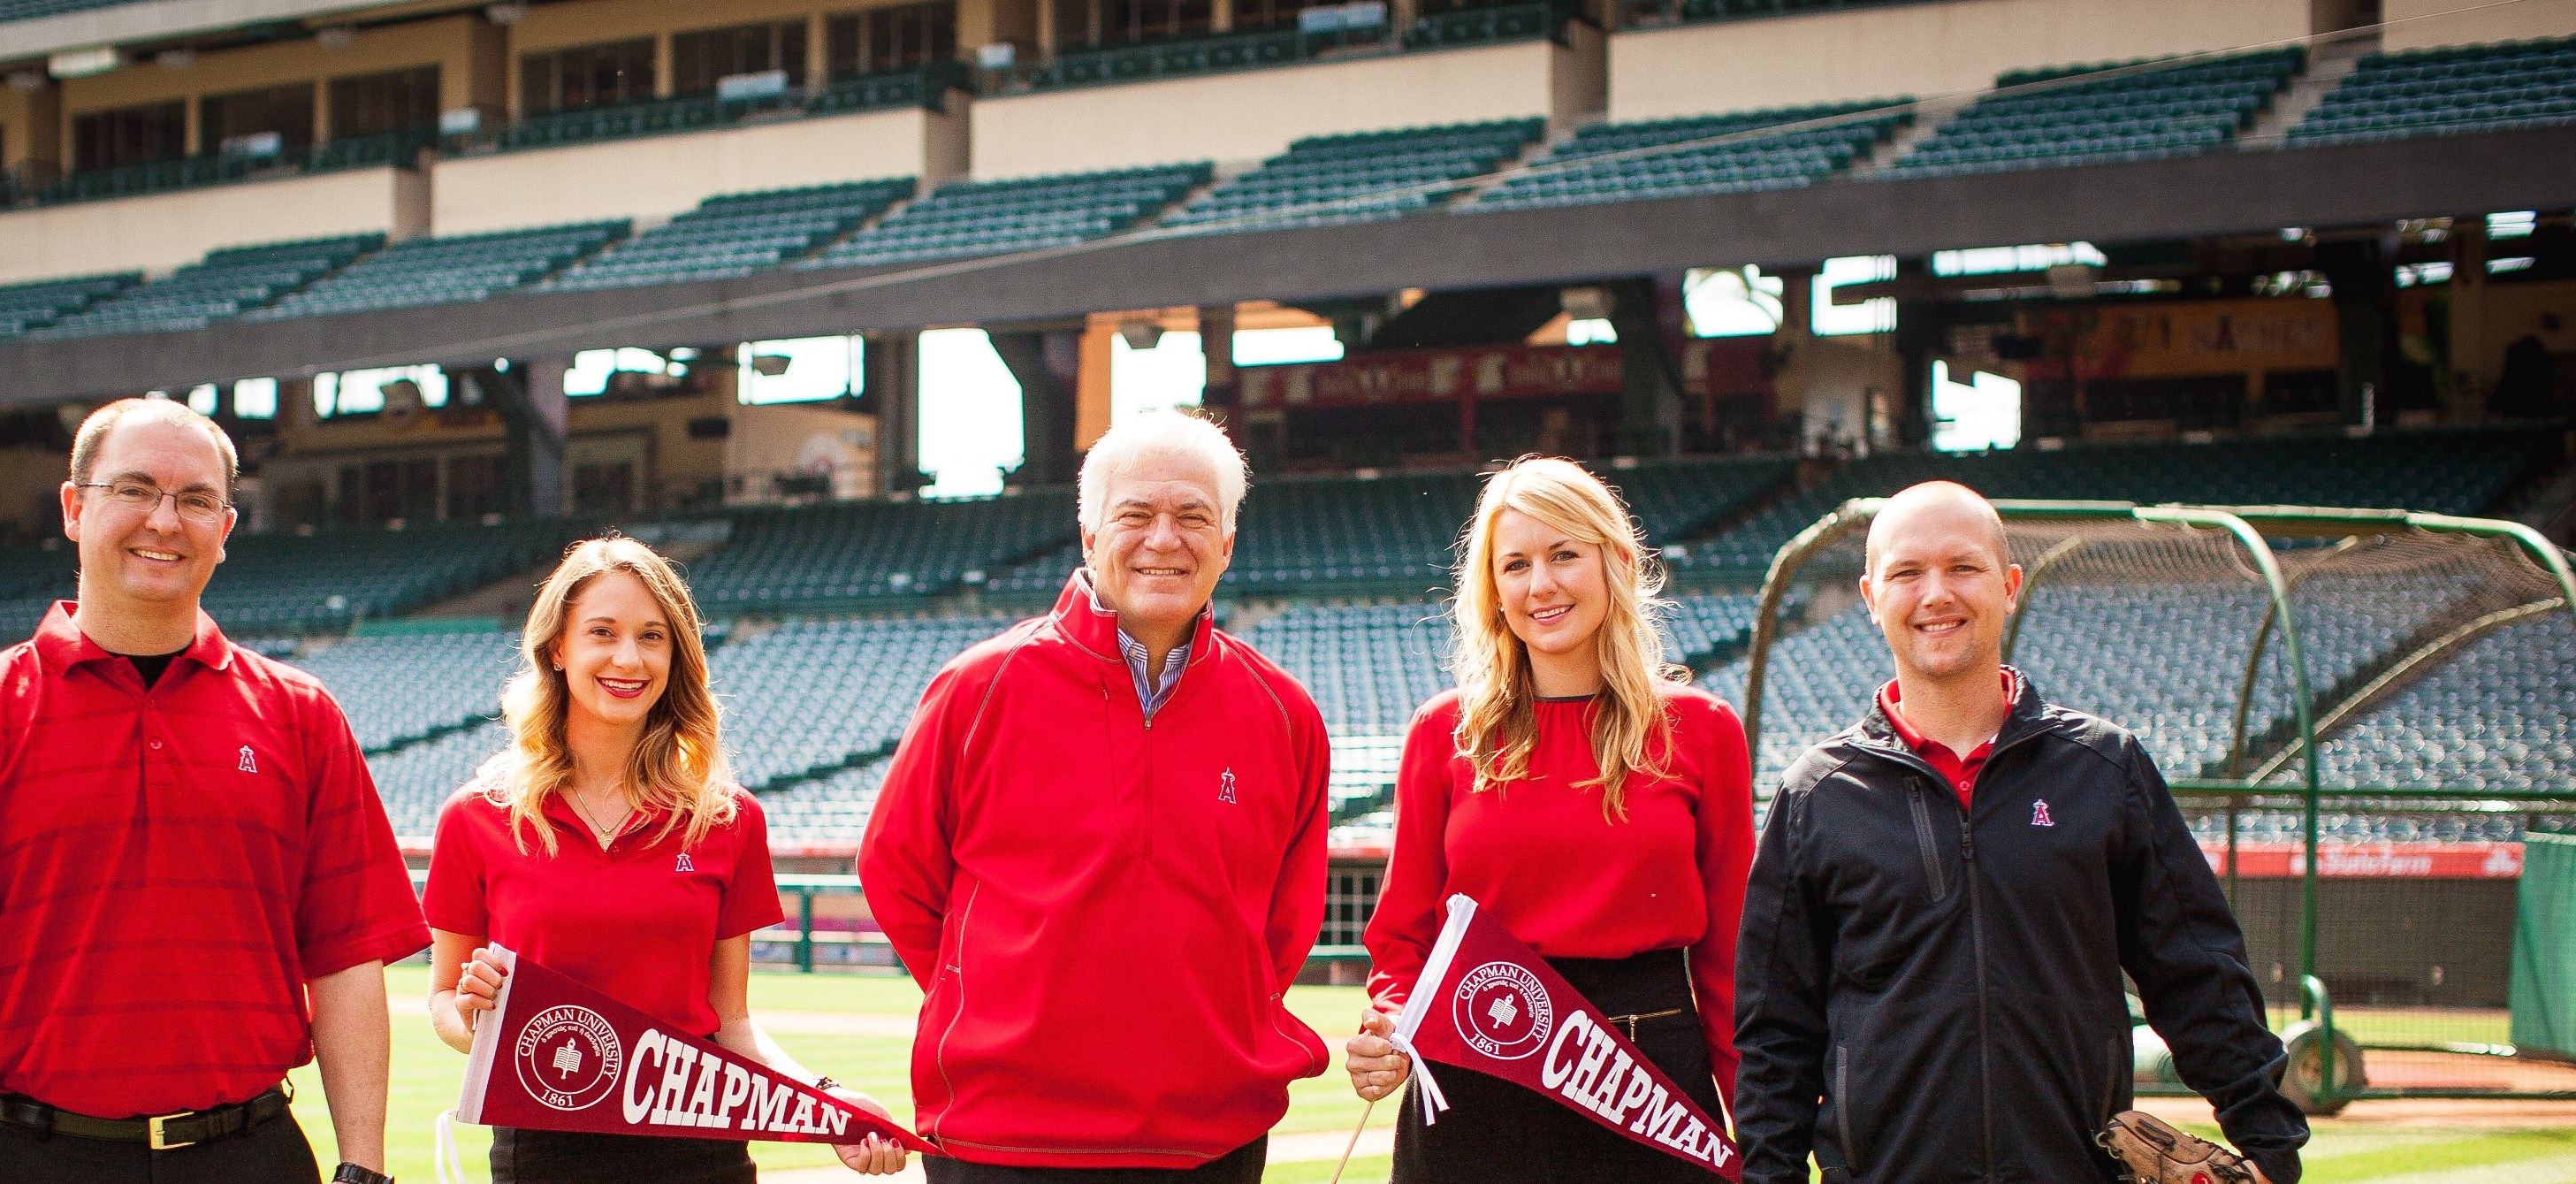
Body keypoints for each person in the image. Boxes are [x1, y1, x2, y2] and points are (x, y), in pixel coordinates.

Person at [0, 397, 429, 1184]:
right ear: (74, 507)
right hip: (39, 1158)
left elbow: (347, 958)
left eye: (196, 499)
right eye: (134, 489)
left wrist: (364, 1166)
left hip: (252, 1154)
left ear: (225, 527)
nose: (165, 520)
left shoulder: (302, 716)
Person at [1731, 481, 2309, 1184]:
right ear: (1870, 597)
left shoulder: (2103, 768)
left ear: (2007, 586)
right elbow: (1775, 1034)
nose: (1935, 593)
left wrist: (2268, 1149)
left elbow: (2198, 977)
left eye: (1962, 567)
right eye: (1907, 572)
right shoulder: (1816, 794)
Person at [859, 409, 1331, 1181]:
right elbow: (896, 874)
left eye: (1192, 516)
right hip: (1001, 1139)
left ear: (1226, 543)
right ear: (1088, 535)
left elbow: (1286, 919)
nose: (1163, 539)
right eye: (1135, 514)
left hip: (1210, 1142)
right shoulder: (977, 688)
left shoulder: (1285, 713)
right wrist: (996, 1001)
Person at [425, 536, 907, 1182]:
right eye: (602, 632)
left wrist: (830, 1105)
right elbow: (445, 1001)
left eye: (652, 637)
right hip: (542, 1153)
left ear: (676, 655)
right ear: (558, 647)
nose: (628, 658)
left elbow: (731, 1024)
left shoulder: (726, 819)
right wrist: (474, 1020)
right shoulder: (477, 816)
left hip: (701, 1154)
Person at [1341, 455, 1755, 1183]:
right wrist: (1391, 1022)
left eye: (1564, 554)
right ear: (1492, 589)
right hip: (1474, 1078)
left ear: (1614, 561)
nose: (1540, 584)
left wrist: (1756, 1122)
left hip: (1646, 1084)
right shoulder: (1443, 732)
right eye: (1515, 564)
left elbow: (1732, 956)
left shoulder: (1702, 730)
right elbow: (1402, 937)